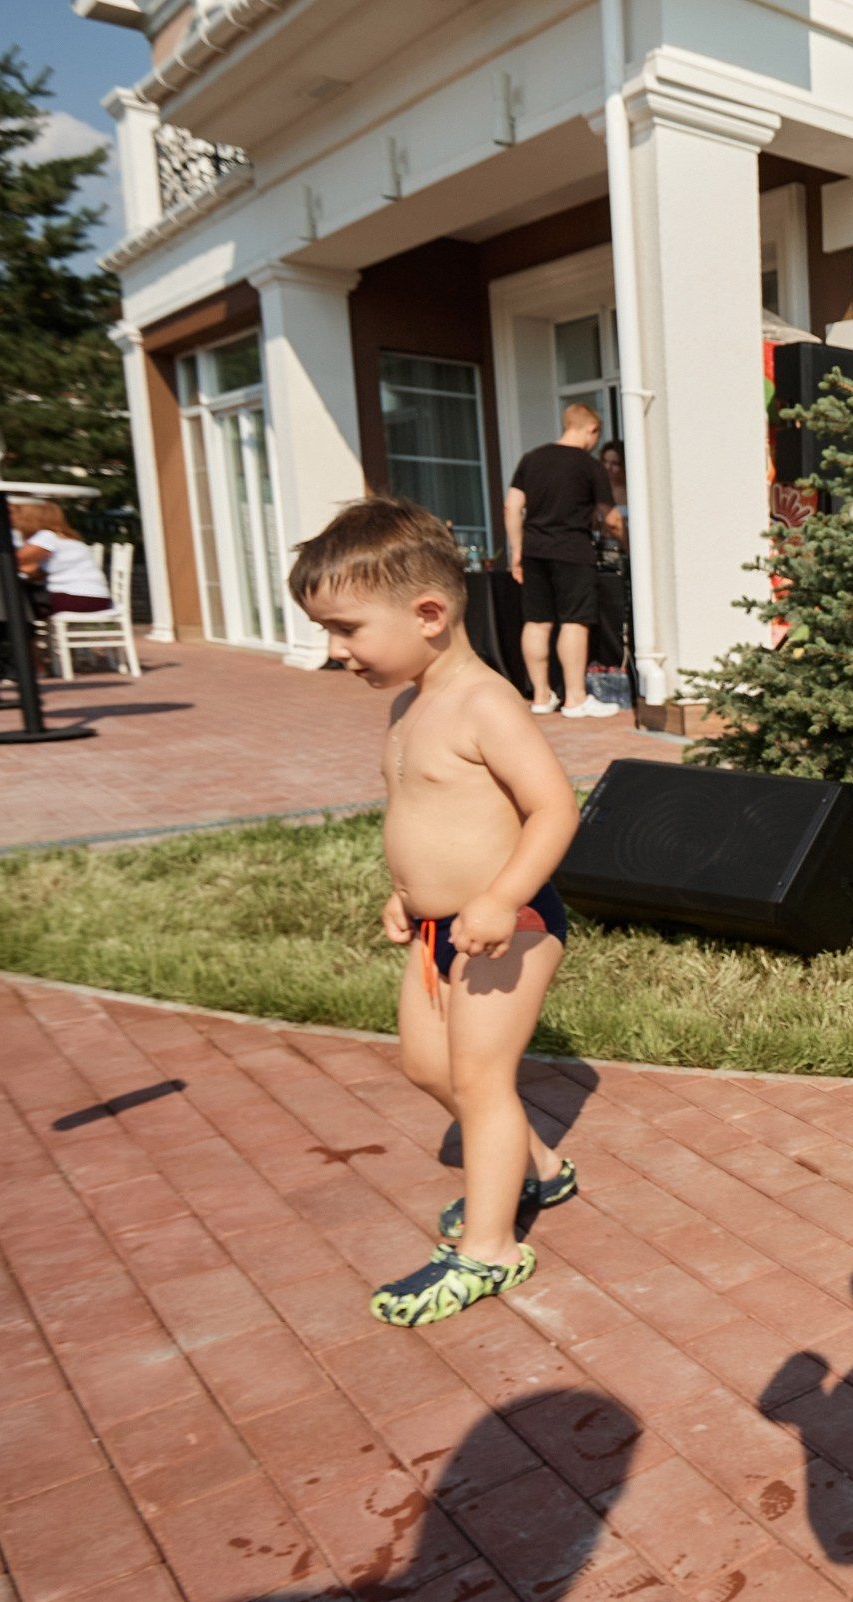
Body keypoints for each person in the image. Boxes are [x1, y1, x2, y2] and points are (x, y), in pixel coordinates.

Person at [287, 497, 582, 1326]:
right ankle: (540, 1169)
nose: (337, 651)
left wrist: (499, 895)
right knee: (428, 1067)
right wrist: (405, 892)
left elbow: (554, 809)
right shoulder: (407, 702)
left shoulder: (484, 702)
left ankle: (490, 1248)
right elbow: (423, 812)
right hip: (433, 927)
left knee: (481, 1079)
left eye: (347, 629)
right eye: (327, 633)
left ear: (428, 613)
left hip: (508, 924)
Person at [505, 403, 623, 718]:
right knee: (574, 621)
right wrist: (627, 545)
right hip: (572, 550)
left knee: (537, 621)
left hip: (534, 550)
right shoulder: (588, 465)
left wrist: (517, 549)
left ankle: (541, 697)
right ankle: (575, 698)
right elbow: (610, 518)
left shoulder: (532, 459)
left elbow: (512, 506)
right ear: (591, 429)